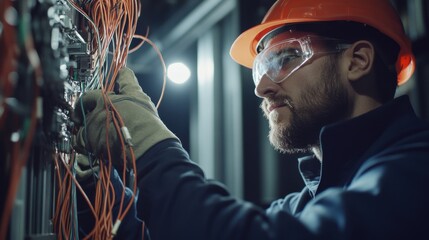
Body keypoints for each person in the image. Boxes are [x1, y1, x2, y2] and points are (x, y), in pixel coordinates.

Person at [73, 0, 429, 239]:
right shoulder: (309, 202)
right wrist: (96, 189)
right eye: (260, 68)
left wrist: (152, 151)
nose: (261, 86)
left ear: (357, 61)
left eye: (285, 58)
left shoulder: (415, 172)